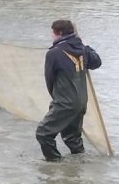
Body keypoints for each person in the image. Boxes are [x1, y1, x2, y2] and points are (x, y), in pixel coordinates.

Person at [36, 19, 102, 161]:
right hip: (81, 102)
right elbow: (97, 62)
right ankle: (77, 167)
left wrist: (57, 101)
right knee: (72, 137)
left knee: (43, 133)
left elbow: (50, 80)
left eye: (53, 33)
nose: (52, 36)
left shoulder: (54, 53)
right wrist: (88, 46)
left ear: (58, 33)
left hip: (65, 102)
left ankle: (55, 164)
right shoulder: (83, 49)